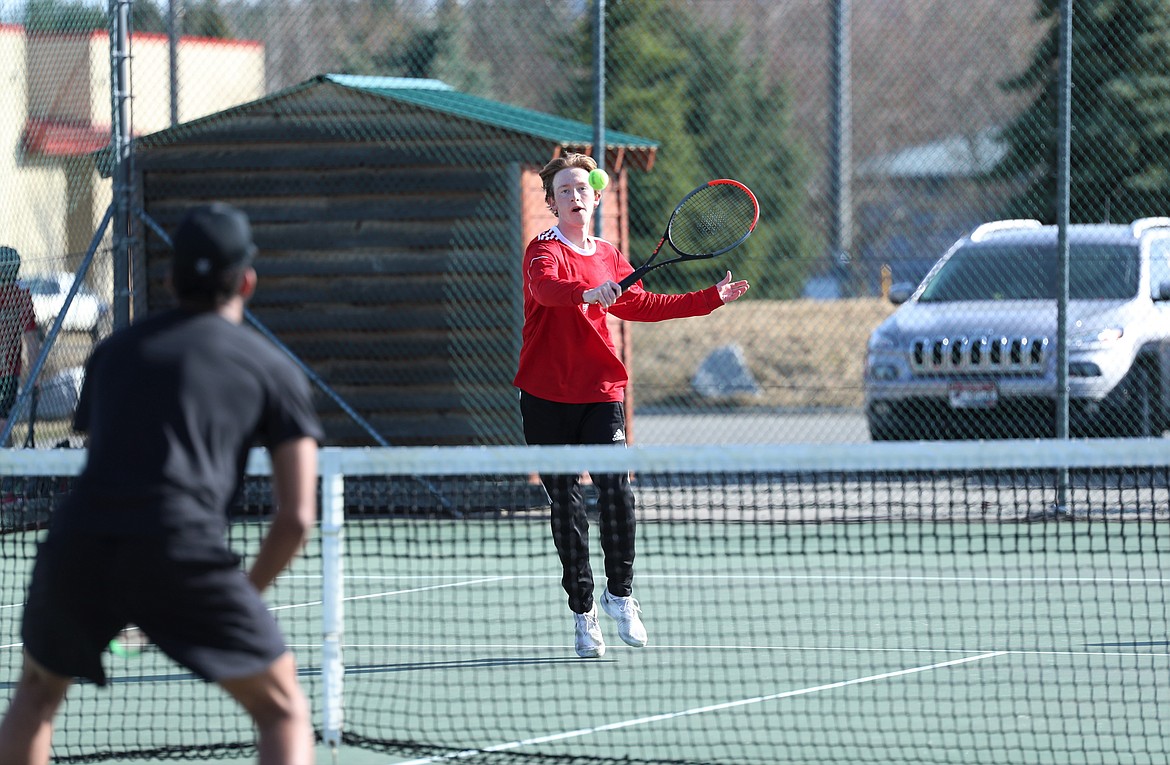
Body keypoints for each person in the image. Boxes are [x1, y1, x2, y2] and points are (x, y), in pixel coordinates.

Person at [0, 203, 324, 765]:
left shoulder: (111, 356)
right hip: (183, 548)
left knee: (35, 696)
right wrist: (242, 594)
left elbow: (107, 462)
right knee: (282, 709)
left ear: (170, 279)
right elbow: (296, 517)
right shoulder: (275, 372)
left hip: (77, 545)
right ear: (247, 281)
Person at [514, 153, 750, 658]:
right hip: (545, 396)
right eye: (565, 191)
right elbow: (546, 290)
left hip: (601, 392)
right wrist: (587, 291)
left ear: (595, 196)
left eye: (582, 188)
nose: (575, 197)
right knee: (567, 505)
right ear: (552, 203)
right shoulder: (542, 252)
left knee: (617, 492)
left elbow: (639, 303)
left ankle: (620, 593)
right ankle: (583, 612)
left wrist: (709, 298)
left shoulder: (608, 254)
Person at [0, 246, 42, 441]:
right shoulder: (21, 294)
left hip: (7, 371)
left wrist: (34, 373)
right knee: (3, 420)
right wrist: (34, 372)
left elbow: (31, 338)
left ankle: (7, 466)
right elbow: (31, 338)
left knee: (2, 421)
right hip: (8, 371)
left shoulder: (19, 295)